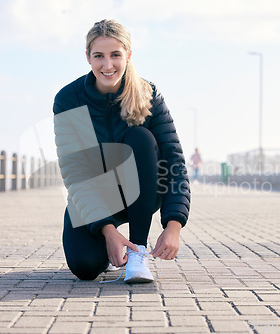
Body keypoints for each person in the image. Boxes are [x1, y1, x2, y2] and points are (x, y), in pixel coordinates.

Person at [53, 19, 190, 283]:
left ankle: (137, 252)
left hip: (143, 191)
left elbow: (175, 162)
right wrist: (107, 231)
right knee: (85, 266)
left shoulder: (149, 95)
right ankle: (111, 248)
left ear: (128, 54)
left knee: (139, 137)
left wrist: (174, 225)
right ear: (88, 58)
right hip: (94, 193)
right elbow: (76, 174)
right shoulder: (69, 100)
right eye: (99, 56)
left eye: (116, 55)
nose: (108, 65)